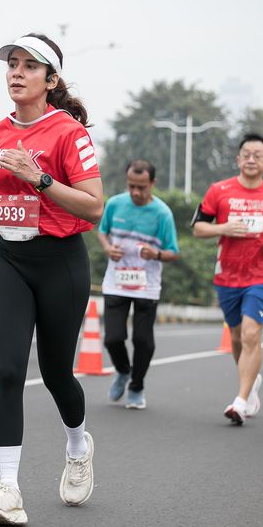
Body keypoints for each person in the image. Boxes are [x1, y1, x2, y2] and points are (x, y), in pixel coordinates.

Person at [0, 33, 104, 526]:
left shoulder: (69, 134)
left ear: (51, 79)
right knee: (8, 371)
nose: (16, 73)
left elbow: (93, 207)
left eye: (29, 66)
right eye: (11, 64)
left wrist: (40, 177)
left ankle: (78, 446)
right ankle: (8, 491)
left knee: (57, 373)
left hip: (60, 262)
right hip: (10, 260)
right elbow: (7, 195)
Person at [192, 132, 263, 424]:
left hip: (262, 275)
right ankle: (252, 382)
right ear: (238, 159)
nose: (251, 159)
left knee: (250, 334)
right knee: (236, 337)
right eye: (246, 154)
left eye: (257, 155)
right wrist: (223, 228)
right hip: (228, 276)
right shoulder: (218, 190)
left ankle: (241, 401)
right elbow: (198, 228)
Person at [98, 160, 179, 409]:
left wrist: (156, 254)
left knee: (143, 341)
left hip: (147, 285)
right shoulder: (115, 204)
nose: (135, 192)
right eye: (131, 186)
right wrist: (107, 248)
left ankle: (136, 387)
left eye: (141, 187)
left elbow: (173, 252)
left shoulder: (162, 213)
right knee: (112, 338)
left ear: (152, 183)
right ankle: (123, 370)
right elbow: (102, 231)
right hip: (116, 282)